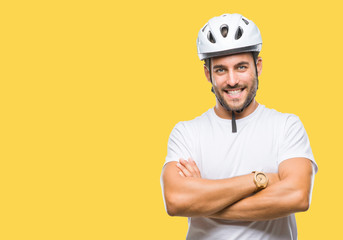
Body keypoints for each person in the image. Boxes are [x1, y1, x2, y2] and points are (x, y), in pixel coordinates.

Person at [160, 13, 318, 240]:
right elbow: (175, 201)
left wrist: (204, 201)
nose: (232, 80)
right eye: (221, 70)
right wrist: (259, 179)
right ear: (208, 73)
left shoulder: (286, 126)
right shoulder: (186, 133)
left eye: (241, 67)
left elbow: (298, 196)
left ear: (258, 66)